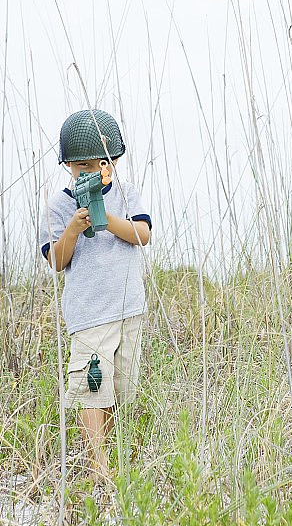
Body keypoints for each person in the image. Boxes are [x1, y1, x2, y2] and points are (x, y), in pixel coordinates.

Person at [38, 109, 152, 483]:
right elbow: (56, 260)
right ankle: (98, 469)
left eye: (102, 164)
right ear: (69, 166)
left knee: (119, 390)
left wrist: (104, 219)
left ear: (113, 163)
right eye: (81, 166)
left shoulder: (124, 193)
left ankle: (113, 459)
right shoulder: (59, 205)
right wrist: (75, 226)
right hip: (89, 316)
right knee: (91, 392)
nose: (92, 172)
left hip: (128, 308)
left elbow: (142, 234)